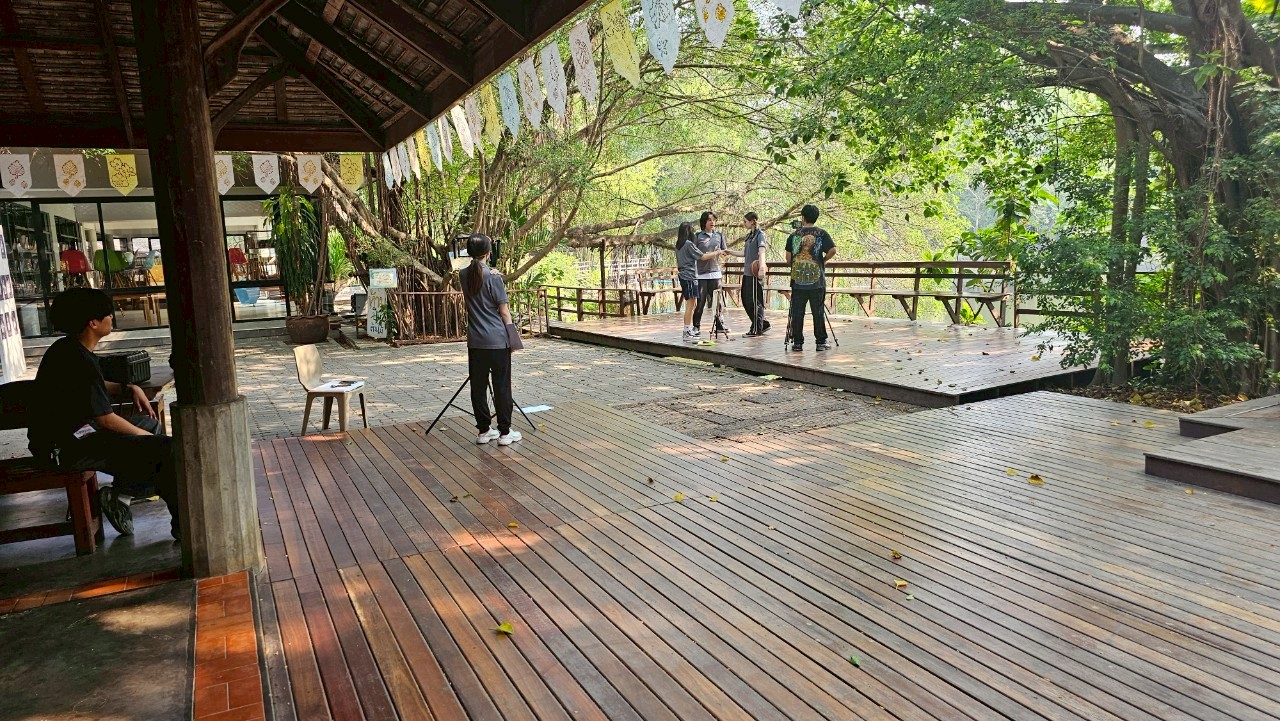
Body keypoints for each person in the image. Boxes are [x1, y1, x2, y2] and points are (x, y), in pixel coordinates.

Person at [28, 288, 179, 539]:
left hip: (76, 433)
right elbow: (105, 419)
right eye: (108, 314)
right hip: (65, 447)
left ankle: (121, 495)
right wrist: (143, 437)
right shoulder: (77, 360)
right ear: (93, 322)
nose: (113, 318)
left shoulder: (68, 349)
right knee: (165, 448)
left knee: (150, 425)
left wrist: (128, 388)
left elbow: (94, 385)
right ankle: (181, 526)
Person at [459, 233, 522, 446]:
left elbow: (475, 272)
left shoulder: (463, 275)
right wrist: (514, 338)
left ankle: (484, 431)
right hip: (497, 340)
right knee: (502, 386)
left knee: (478, 387)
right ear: (488, 252)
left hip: (475, 341)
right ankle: (505, 432)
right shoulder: (494, 277)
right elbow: (504, 312)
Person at [785, 204, 837, 351]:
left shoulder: (794, 235)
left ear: (803, 217)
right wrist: (823, 260)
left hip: (798, 279)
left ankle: (797, 343)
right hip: (816, 281)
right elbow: (833, 250)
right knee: (818, 311)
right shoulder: (822, 233)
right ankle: (820, 342)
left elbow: (788, 259)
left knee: (798, 311)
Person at [692, 211, 739, 335]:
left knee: (717, 302)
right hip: (701, 274)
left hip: (716, 273)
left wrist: (724, 255)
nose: (712, 222)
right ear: (704, 222)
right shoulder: (697, 236)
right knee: (701, 302)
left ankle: (719, 325)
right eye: (709, 220)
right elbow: (696, 256)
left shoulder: (719, 235)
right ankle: (696, 327)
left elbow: (725, 255)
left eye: (714, 220)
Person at [741, 212, 771, 337]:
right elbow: (743, 253)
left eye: (745, 221)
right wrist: (728, 252)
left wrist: (762, 267)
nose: (744, 224)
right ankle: (762, 324)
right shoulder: (749, 236)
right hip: (747, 273)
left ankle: (756, 328)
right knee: (745, 300)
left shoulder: (760, 235)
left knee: (755, 301)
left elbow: (762, 251)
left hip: (755, 273)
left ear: (752, 221)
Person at [675, 222, 702, 341]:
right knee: (690, 305)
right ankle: (686, 331)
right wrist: (716, 253)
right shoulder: (688, 244)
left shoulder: (678, 245)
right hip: (689, 276)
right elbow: (702, 256)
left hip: (683, 275)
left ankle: (688, 329)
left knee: (692, 303)